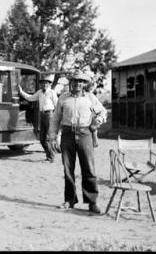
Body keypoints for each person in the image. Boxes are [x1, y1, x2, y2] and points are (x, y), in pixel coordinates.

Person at [48, 69, 107, 214]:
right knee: (68, 169)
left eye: (81, 81)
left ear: (84, 84)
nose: (77, 84)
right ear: (70, 82)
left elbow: (102, 112)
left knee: (89, 169)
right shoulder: (63, 98)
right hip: (67, 134)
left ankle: (92, 202)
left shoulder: (90, 98)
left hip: (85, 134)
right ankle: (70, 200)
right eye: (75, 81)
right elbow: (55, 119)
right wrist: (52, 137)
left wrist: (97, 121)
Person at [19, 74, 58, 163]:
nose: (44, 85)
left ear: (49, 84)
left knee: (48, 138)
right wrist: (21, 92)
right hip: (42, 115)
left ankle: (51, 157)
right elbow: (30, 98)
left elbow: (57, 105)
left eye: (46, 84)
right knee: (42, 138)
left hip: (49, 114)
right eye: (43, 84)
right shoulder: (39, 92)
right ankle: (49, 156)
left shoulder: (52, 92)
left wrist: (56, 117)